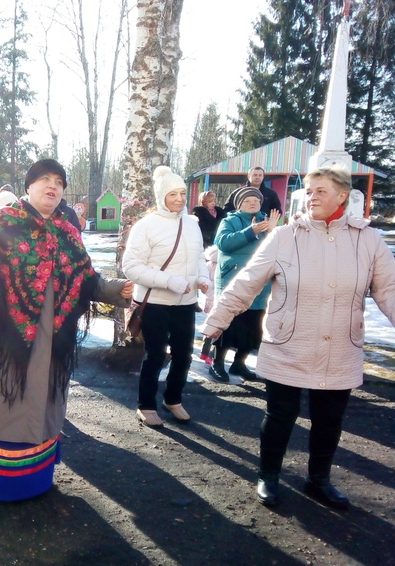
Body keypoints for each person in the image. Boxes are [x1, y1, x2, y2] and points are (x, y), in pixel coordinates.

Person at [203, 165, 395, 509]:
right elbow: (248, 281)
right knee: (280, 415)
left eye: (320, 190)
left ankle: (318, 479)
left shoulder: (368, 240)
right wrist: (217, 320)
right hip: (288, 343)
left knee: (329, 419)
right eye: (308, 190)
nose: (312, 196)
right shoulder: (285, 236)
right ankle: (268, 476)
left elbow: (390, 291)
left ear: (343, 196)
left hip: (340, 346)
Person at [0, 159, 133, 501]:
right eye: (45, 180)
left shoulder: (68, 232)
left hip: (52, 340)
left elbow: (86, 279)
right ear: (29, 186)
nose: (53, 186)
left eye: (59, 182)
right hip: (4, 339)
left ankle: (35, 479)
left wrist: (114, 290)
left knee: (42, 402)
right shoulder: (2, 222)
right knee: (4, 404)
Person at [122, 166, 211, 428]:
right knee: (156, 354)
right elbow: (132, 266)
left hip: (185, 303)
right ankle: (146, 404)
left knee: (184, 355)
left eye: (183, 193)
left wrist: (202, 278)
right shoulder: (146, 226)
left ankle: (173, 399)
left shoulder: (191, 224)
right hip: (156, 304)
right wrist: (169, 281)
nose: (180, 199)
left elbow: (199, 259)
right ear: (162, 196)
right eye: (173, 194)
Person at [208, 187, 279, 383]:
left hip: (260, 284)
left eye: (256, 200)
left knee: (254, 326)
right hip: (233, 280)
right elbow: (223, 243)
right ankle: (217, 363)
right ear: (239, 204)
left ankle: (239, 363)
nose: (253, 203)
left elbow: (280, 249)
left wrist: (273, 231)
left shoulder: (267, 221)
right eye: (248, 201)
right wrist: (251, 231)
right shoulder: (230, 221)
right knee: (228, 324)